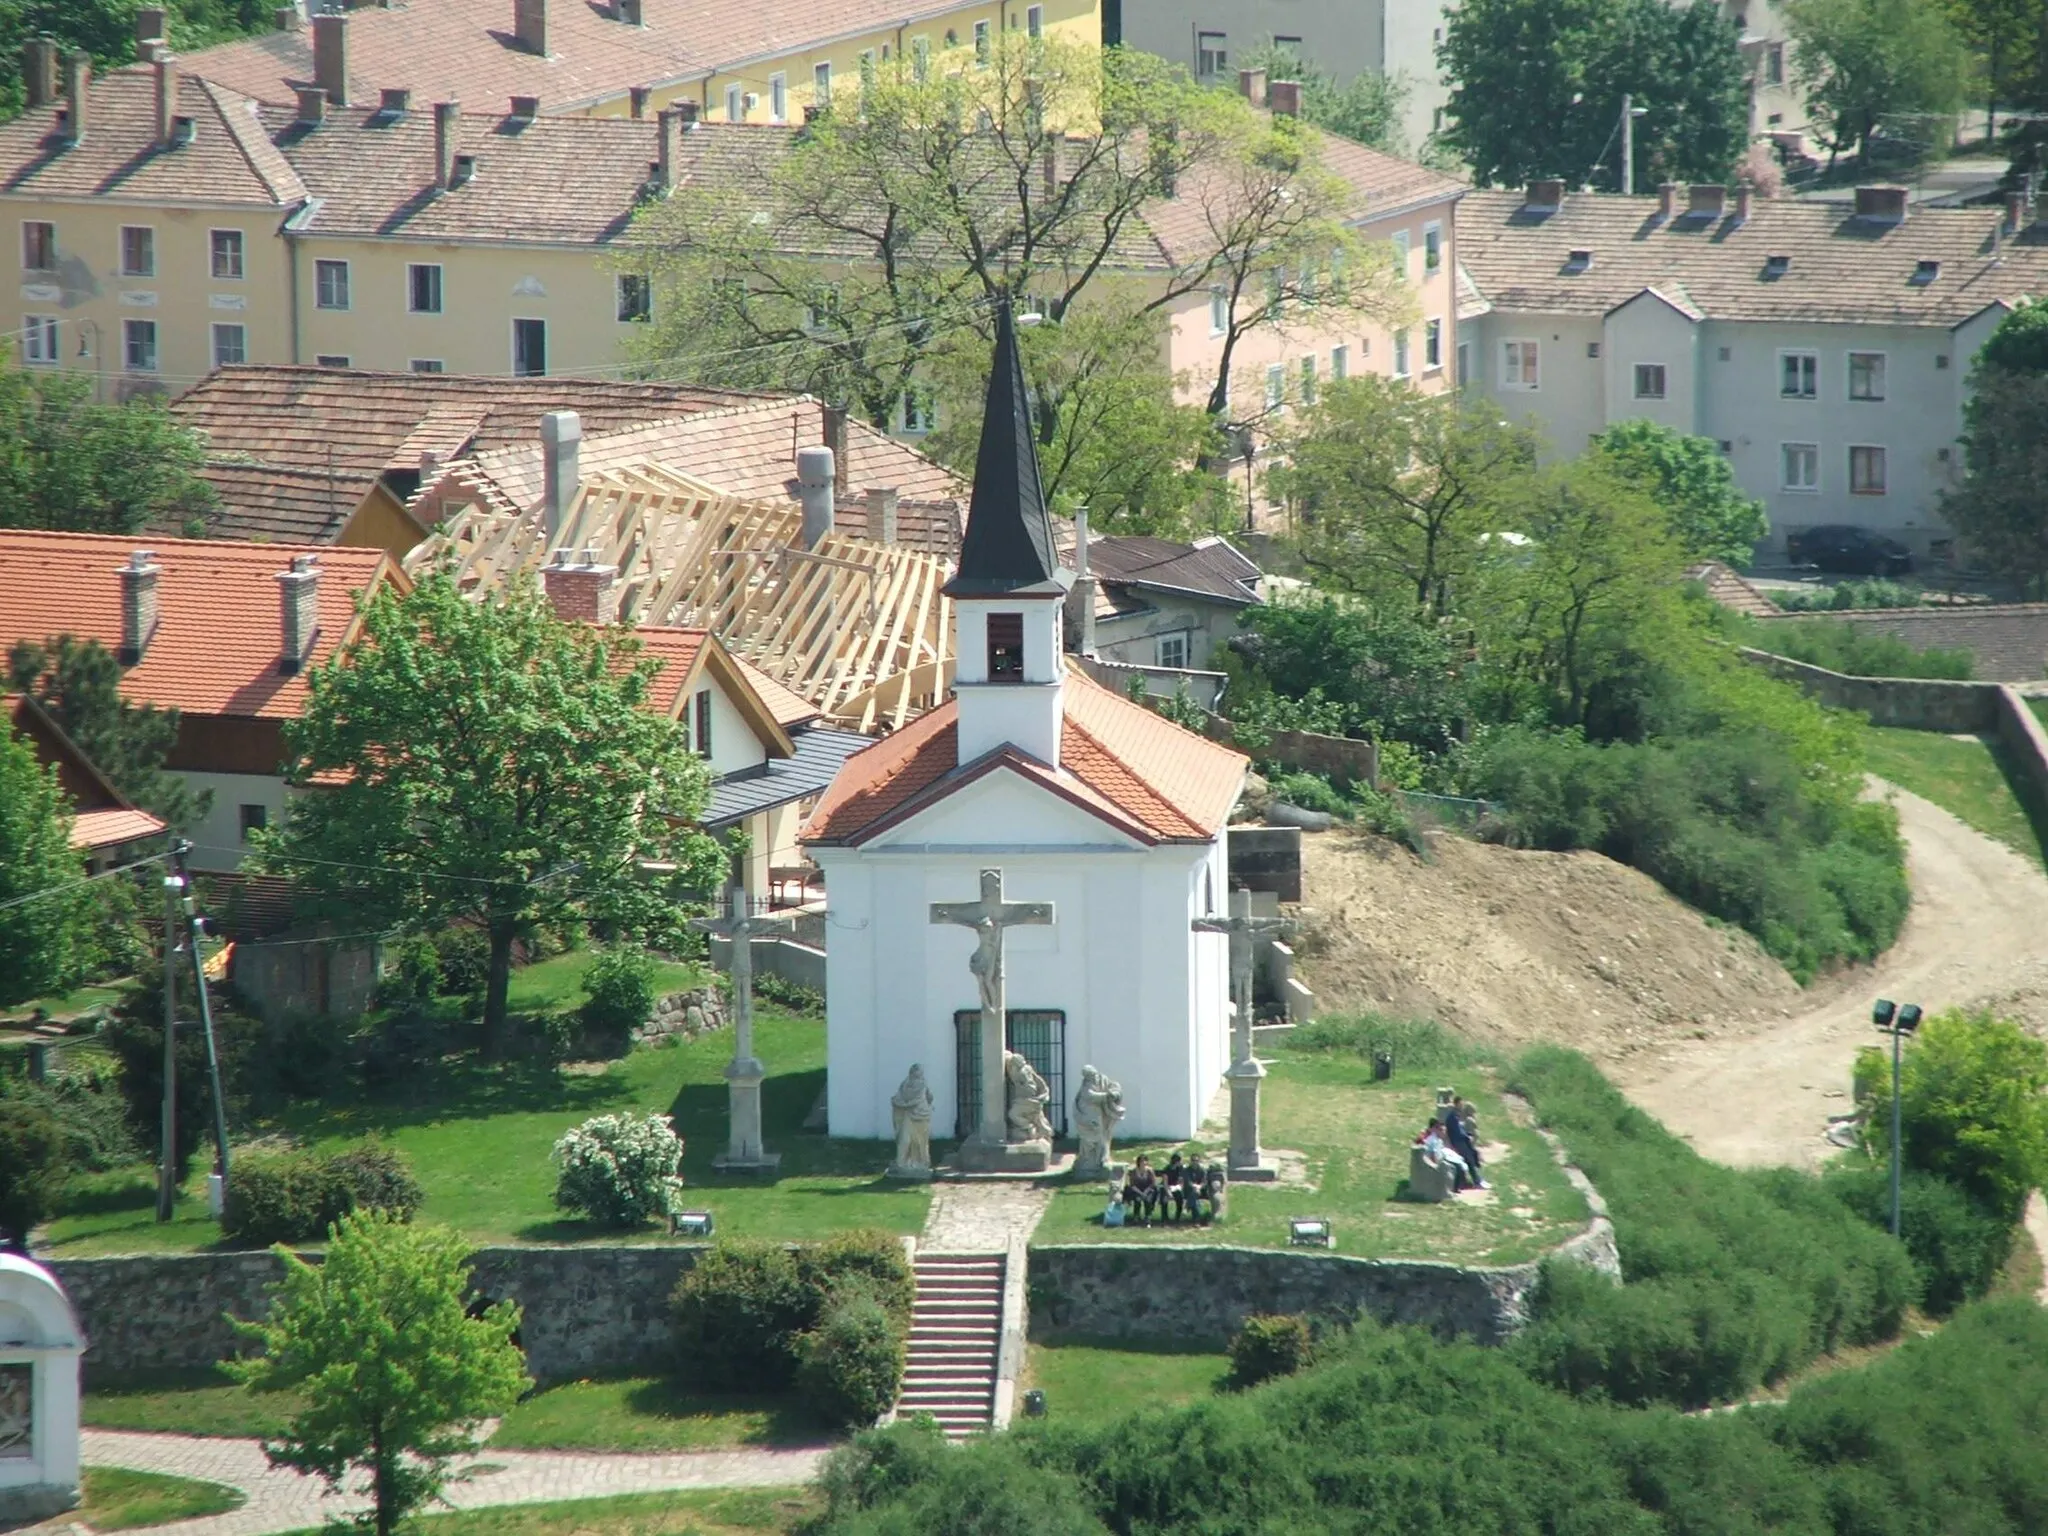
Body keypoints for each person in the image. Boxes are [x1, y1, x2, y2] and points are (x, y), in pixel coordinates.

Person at [1442, 1099, 1484, 1189]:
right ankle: (1477, 1181)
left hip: (1462, 1141)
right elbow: (1457, 1132)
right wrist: (1467, 1137)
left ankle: (1478, 1180)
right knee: (1469, 1160)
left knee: (1473, 1157)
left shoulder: (1455, 1116)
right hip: (1458, 1143)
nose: (1462, 1106)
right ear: (1456, 1104)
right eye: (1460, 1104)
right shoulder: (1452, 1117)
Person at [1419, 1120, 1472, 1191]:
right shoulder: (1433, 1140)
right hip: (1437, 1161)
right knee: (1457, 1167)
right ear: (1436, 1130)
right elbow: (1433, 1155)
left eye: (1444, 1130)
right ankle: (1455, 1188)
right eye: (1442, 1130)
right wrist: (1437, 1165)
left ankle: (1460, 1185)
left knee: (1459, 1163)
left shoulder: (1438, 1139)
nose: (1444, 1132)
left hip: (1441, 1158)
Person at [1121, 1154, 1162, 1224]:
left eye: (1145, 1161)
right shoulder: (1133, 1171)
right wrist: (1141, 1193)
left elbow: (1153, 1183)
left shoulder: (1150, 1171)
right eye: (1142, 1161)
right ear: (1139, 1162)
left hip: (1148, 1190)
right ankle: (1136, 1216)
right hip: (1137, 1190)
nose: (1144, 1163)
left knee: (1148, 1199)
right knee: (1137, 1199)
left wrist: (1146, 1192)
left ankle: (1148, 1217)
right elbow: (1132, 1185)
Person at [1180, 1153, 1208, 1221]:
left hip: (1201, 1190)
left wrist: (1199, 1187)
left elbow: (1204, 1182)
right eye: (1193, 1160)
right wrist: (1195, 1187)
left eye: (1196, 1160)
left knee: (1194, 1195)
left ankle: (1187, 1207)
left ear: (1199, 1161)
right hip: (1188, 1190)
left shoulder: (1202, 1170)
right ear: (1191, 1161)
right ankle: (1196, 1220)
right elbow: (1188, 1182)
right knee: (1195, 1197)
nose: (1195, 1162)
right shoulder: (1186, 1170)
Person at [1162, 1152, 1188, 1220]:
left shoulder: (1181, 1169)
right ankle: (1164, 1218)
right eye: (1181, 1160)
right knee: (1164, 1197)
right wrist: (1169, 1193)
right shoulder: (1166, 1169)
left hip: (1176, 1188)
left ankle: (1178, 1216)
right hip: (1167, 1188)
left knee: (1180, 1196)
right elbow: (1165, 1183)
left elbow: (1182, 1182)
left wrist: (1176, 1187)